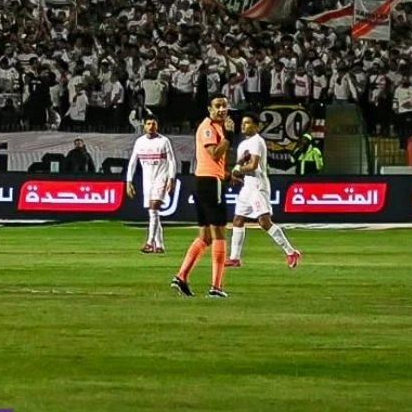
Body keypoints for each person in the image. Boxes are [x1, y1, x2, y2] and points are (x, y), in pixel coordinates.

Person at [172, 94, 233, 298]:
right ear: (209, 109)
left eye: (224, 106)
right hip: (209, 183)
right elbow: (215, 153)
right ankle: (216, 287)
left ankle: (181, 276)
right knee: (219, 234)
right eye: (217, 106)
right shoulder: (208, 127)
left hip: (203, 181)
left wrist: (227, 174)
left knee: (205, 236)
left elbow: (211, 161)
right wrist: (230, 137)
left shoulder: (215, 127)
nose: (222, 109)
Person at [226, 113, 301, 269]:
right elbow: (240, 164)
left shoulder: (257, 141)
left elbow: (253, 166)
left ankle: (291, 252)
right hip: (248, 185)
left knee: (264, 222)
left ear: (256, 126)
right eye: (243, 123)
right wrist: (235, 171)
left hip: (258, 185)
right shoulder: (242, 145)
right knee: (238, 220)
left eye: (247, 123)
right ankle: (234, 258)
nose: (243, 125)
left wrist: (237, 171)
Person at [126, 117, 176, 254]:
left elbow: (172, 161)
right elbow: (132, 162)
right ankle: (160, 245)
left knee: (154, 208)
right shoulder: (139, 142)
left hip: (161, 177)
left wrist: (171, 178)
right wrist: (129, 181)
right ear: (144, 126)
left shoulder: (164, 141)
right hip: (147, 180)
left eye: (153, 123)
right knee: (153, 212)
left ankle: (149, 242)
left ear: (157, 126)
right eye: (148, 123)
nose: (151, 126)